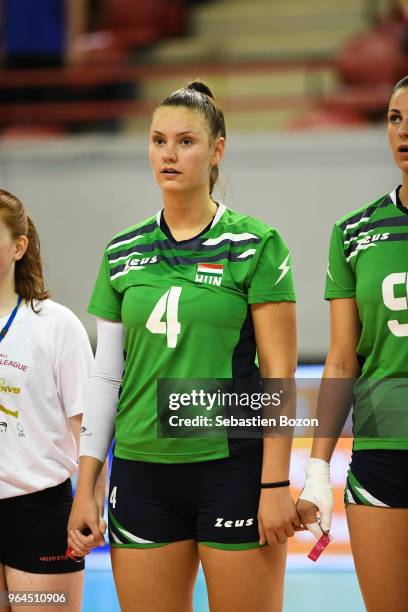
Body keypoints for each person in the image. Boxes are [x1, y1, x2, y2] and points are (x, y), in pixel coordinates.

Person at [68, 81, 300, 612]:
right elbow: (106, 378)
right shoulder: (123, 250)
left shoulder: (255, 245)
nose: (168, 155)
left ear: (218, 150)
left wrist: (275, 484)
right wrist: (87, 483)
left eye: (186, 142)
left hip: (233, 471)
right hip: (142, 472)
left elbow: (278, 376)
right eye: (157, 140)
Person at [297, 77, 408, 611]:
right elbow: (342, 358)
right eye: (394, 117)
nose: (404, 130)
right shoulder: (355, 231)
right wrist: (318, 470)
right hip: (383, 450)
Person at [0, 189, 98, 612]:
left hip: (38, 515)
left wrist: (90, 500)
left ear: (19, 247)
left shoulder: (56, 326)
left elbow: (89, 429)